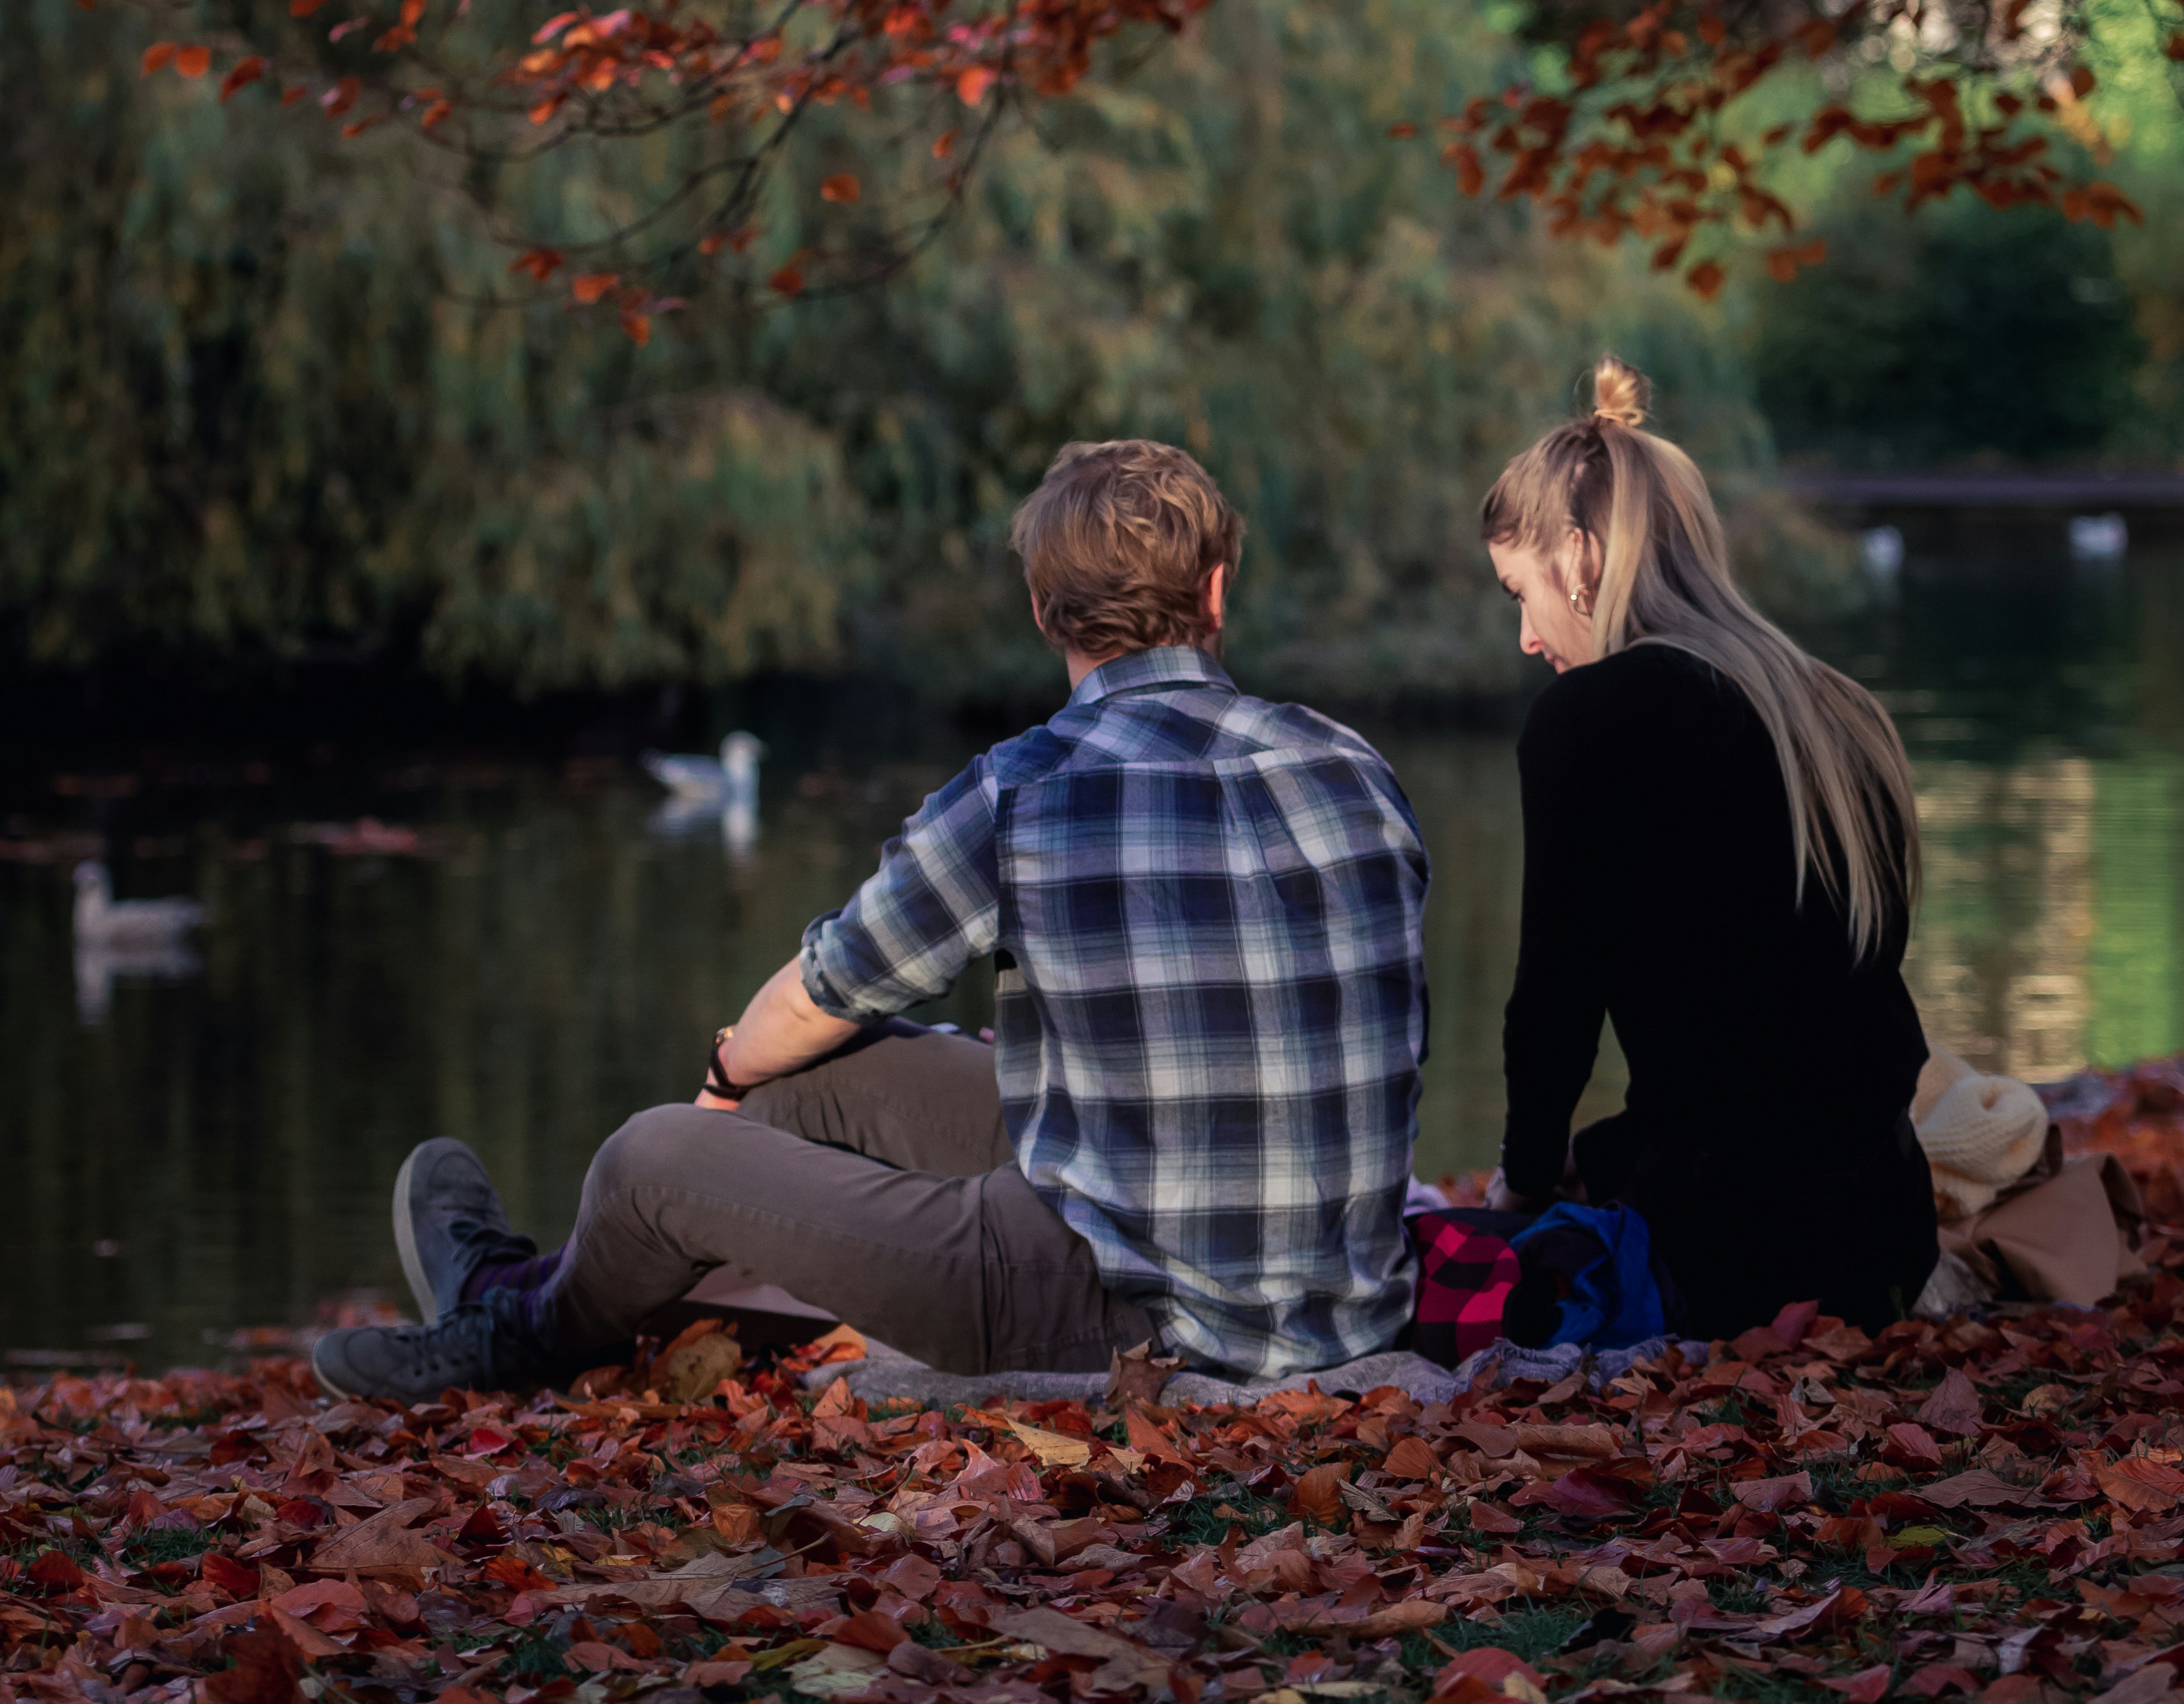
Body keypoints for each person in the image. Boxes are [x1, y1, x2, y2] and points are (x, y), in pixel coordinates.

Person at [312, 438, 1429, 1402]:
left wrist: (723, 1079)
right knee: (816, 1084)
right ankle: (586, 1293)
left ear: (1044, 613)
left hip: (1125, 1314)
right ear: (1219, 590)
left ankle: (514, 1326)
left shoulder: (1023, 790)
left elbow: (824, 987)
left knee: (654, 1156)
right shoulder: (1351, 762)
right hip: (1339, 1302)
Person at [1481, 358, 1938, 1340]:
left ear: (1582, 557)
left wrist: (1521, 1182)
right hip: (1885, 1234)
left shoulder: (1589, 717)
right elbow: (1794, 1024)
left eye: (1520, 591)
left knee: (1491, 1266)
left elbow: (1557, 997)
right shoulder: (1836, 707)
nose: (1525, 636)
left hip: (1734, 1255)